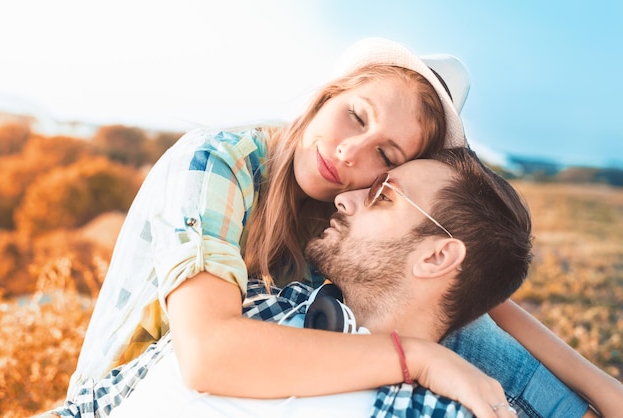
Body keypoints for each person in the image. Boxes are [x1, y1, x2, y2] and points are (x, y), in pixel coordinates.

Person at [47, 37, 622, 417]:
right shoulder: (219, 164)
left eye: (387, 160)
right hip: (131, 391)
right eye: (356, 115)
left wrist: (604, 390)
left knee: (450, 314)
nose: (349, 153)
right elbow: (207, 355)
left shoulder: (345, 211)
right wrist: (420, 359)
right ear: (327, 96)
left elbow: (478, 296)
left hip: (270, 360)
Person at [73, 148, 530, 418]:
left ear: (436, 256)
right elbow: (91, 407)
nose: (346, 199)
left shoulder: (442, 412)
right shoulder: (258, 304)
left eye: (382, 196)